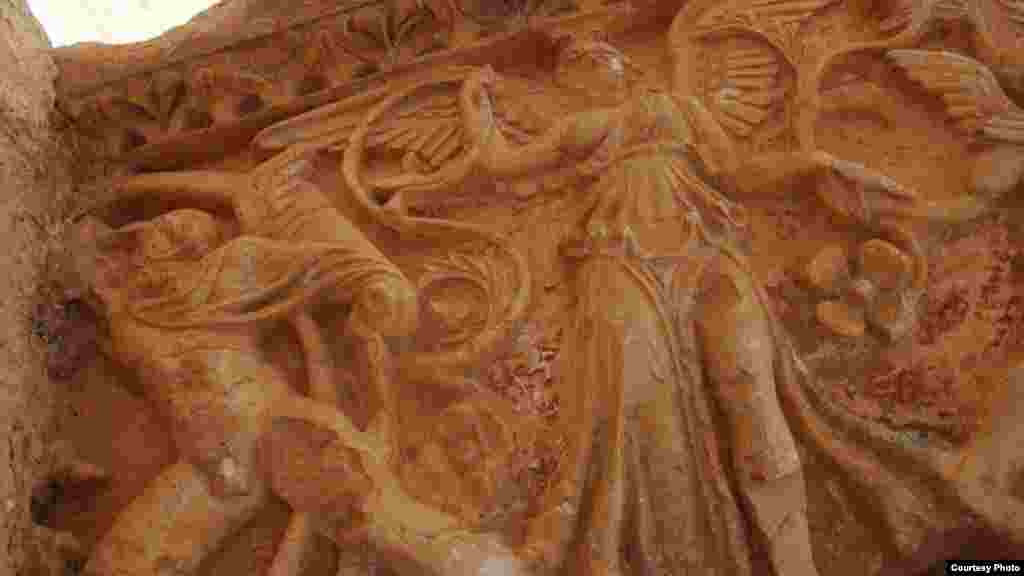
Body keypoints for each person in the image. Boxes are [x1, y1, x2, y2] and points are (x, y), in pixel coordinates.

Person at [460, 40, 820, 575]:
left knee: (750, 389)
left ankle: (794, 561)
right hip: (617, 260)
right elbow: (500, 164)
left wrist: (811, 164)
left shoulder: (679, 108)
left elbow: (736, 172)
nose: (582, 70)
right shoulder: (578, 129)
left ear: (623, 64)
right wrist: (475, 103)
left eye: (594, 58)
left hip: (704, 250)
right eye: (572, 68)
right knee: (639, 407)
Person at [75, 205, 525, 574]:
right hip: (212, 466)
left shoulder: (228, 273)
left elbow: (322, 267)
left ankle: (490, 567)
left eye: (179, 232)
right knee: (126, 558)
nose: (165, 236)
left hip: (274, 429)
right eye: (157, 230)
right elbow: (80, 249)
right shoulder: (126, 307)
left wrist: (376, 284)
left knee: (378, 515)